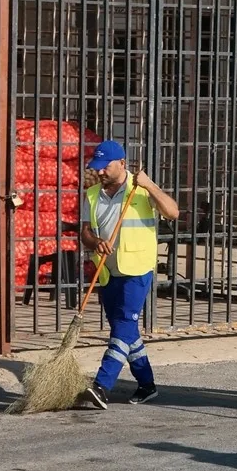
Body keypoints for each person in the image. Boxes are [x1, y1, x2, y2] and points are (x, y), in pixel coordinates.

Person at [77, 140, 180, 409]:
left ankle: (101, 385)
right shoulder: (92, 194)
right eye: (97, 168)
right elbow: (85, 232)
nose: (99, 173)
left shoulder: (141, 189)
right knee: (126, 331)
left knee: (123, 325)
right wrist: (95, 241)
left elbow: (173, 211)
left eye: (105, 167)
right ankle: (147, 384)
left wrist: (149, 185)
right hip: (108, 272)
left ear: (122, 163)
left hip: (137, 269)